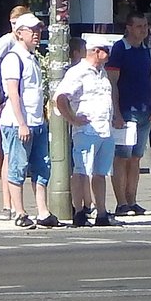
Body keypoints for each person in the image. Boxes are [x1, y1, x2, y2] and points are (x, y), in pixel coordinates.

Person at [0, 12, 61, 229]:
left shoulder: (32, 58)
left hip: (37, 121)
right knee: (18, 166)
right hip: (18, 124)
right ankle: (20, 212)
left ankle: (42, 212)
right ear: (19, 33)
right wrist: (22, 123)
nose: (37, 33)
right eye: (32, 30)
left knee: (42, 166)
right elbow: (13, 93)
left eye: (38, 30)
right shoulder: (13, 58)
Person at [53, 34, 122, 227]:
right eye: (105, 51)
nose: (108, 54)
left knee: (100, 173)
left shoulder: (102, 72)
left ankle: (101, 212)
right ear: (95, 51)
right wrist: (73, 119)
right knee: (81, 171)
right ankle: (79, 211)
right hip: (86, 131)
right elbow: (61, 97)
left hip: (104, 130)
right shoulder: (78, 72)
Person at [0, 4, 31, 221]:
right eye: (12, 23)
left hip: (24, 107)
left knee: (15, 155)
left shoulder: (29, 45)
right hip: (8, 106)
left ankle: (13, 204)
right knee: (10, 154)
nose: (13, 27)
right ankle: (7, 205)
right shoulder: (7, 41)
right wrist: (2, 94)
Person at [109, 11, 151, 216]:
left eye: (145, 26)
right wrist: (117, 112)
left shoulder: (146, 49)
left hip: (145, 110)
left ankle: (132, 200)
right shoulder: (120, 49)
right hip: (126, 111)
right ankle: (121, 203)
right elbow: (112, 82)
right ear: (128, 27)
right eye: (139, 26)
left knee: (136, 158)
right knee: (122, 157)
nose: (143, 30)